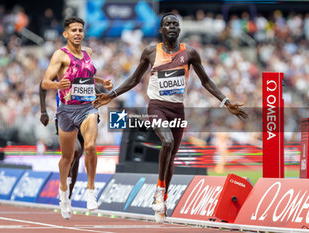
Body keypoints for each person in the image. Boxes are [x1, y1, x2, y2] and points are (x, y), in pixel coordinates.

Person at [93, 12, 248, 223]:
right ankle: (159, 189)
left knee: (171, 156)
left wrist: (226, 102)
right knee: (166, 141)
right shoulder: (150, 52)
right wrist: (111, 96)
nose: (172, 27)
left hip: (177, 110)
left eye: (175, 24)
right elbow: (134, 79)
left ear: (180, 29)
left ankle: (162, 198)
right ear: (161, 29)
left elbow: (206, 81)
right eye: (168, 24)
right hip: (156, 107)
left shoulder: (190, 53)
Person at [41, 16, 111, 219]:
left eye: (80, 30)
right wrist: (57, 85)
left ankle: (91, 190)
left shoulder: (88, 53)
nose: (78, 33)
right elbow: (45, 82)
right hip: (66, 111)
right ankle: (63, 192)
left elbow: (85, 76)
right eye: (74, 30)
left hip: (87, 108)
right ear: (66, 34)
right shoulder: (60, 56)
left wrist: (101, 82)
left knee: (89, 146)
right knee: (67, 158)